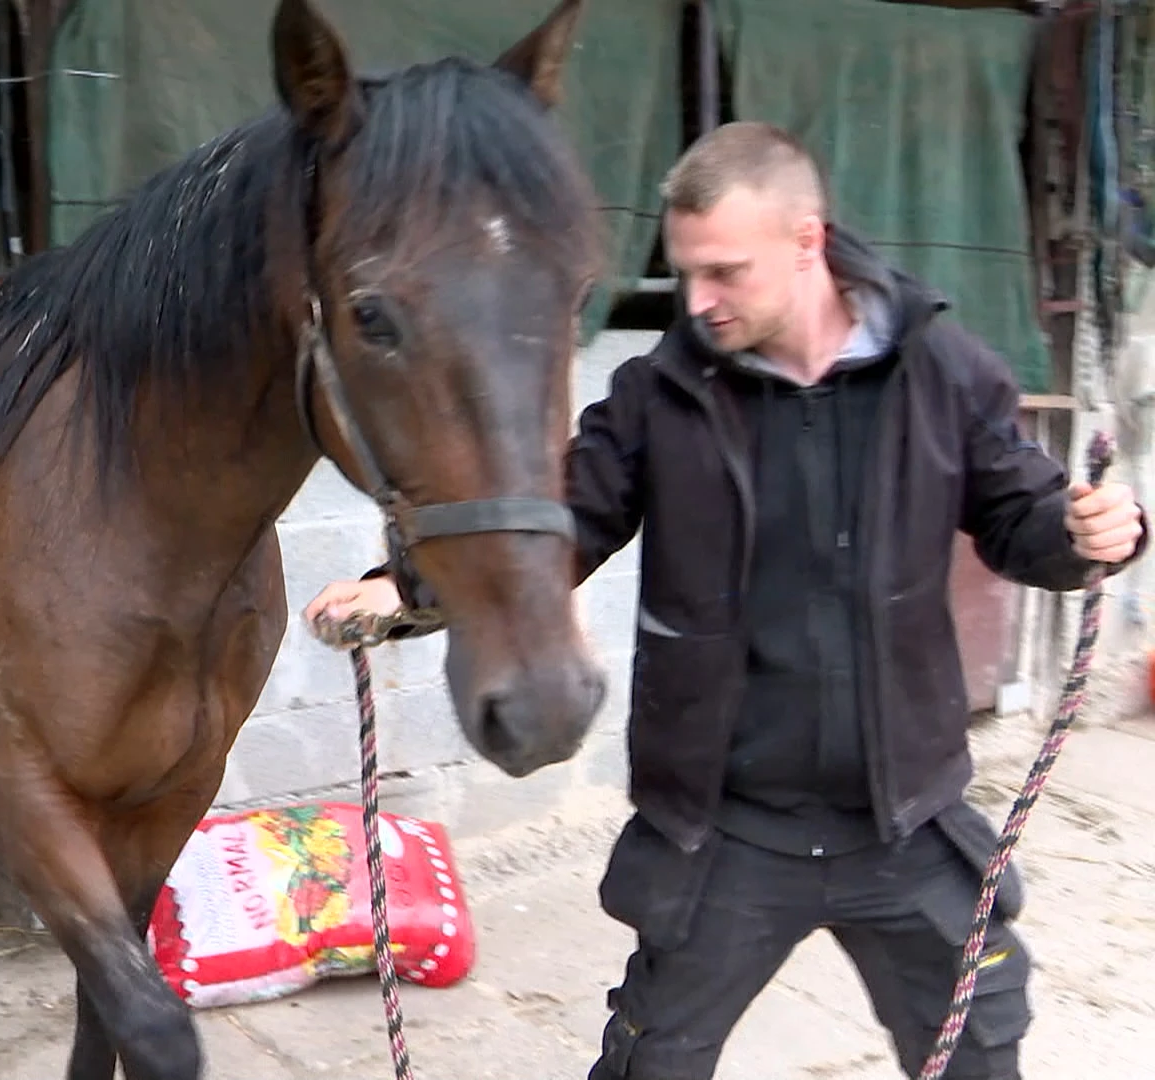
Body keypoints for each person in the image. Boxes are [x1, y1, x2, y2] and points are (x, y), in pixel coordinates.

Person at [303, 120, 1148, 1079]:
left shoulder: (943, 374)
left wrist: (1087, 537)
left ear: (806, 243)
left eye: (724, 273)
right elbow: (561, 523)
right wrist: (404, 589)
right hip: (727, 827)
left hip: (905, 821)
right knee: (648, 1063)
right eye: (685, 274)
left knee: (981, 1051)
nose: (697, 303)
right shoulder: (659, 394)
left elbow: (1021, 513)